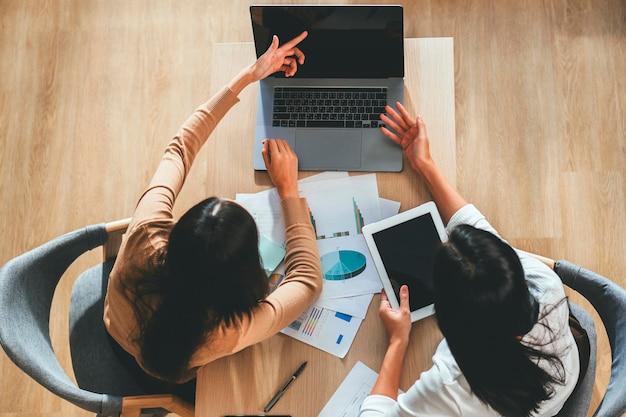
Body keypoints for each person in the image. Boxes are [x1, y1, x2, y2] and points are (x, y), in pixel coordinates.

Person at [103, 31, 322, 387]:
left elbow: (179, 150)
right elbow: (308, 281)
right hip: (162, 377)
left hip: (117, 330)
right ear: (244, 277)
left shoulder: (145, 234)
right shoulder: (228, 328)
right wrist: (289, 190)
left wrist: (249, 75)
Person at [360, 103, 580, 417]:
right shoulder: (543, 284)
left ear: (449, 322)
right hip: (559, 384)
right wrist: (424, 164)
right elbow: (475, 228)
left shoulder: (450, 387)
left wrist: (398, 340)